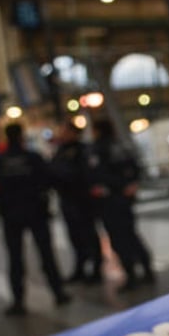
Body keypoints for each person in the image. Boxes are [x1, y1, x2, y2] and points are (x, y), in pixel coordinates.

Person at [0, 123, 70, 316]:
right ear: (21, 136)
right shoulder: (33, 158)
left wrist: (3, 211)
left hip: (11, 216)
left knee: (15, 258)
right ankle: (58, 293)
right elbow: (47, 181)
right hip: (36, 213)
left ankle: (18, 301)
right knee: (46, 254)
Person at [87, 118, 155, 291]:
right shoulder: (122, 146)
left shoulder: (98, 148)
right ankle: (147, 268)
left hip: (111, 200)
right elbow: (136, 166)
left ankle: (130, 274)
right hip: (124, 198)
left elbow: (99, 174)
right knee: (131, 233)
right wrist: (131, 184)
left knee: (119, 238)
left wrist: (115, 187)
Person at [49, 121, 103, 284]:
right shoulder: (60, 151)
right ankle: (80, 267)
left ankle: (96, 268)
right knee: (74, 236)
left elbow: (85, 173)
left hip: (83, 199)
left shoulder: (83, 150)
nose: (62, 134)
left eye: (65, 131)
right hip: (67, 199)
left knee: (89, 235)